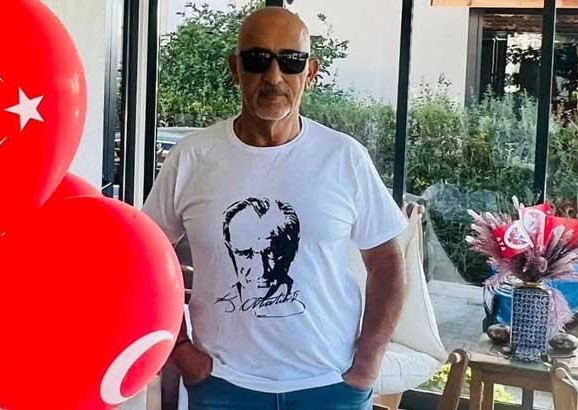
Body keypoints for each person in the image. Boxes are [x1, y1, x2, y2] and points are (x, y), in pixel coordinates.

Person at [143, 6, 407, 410]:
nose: (273, 76)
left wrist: (367, 364)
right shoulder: (192, 158)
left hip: (330, 387)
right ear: (235, 68)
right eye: (257, 59)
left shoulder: (343, 158)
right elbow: (146, 258)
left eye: (290, 60)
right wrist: (181, 350)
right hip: (222, 387)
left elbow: (387, 263)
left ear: (310, 72)